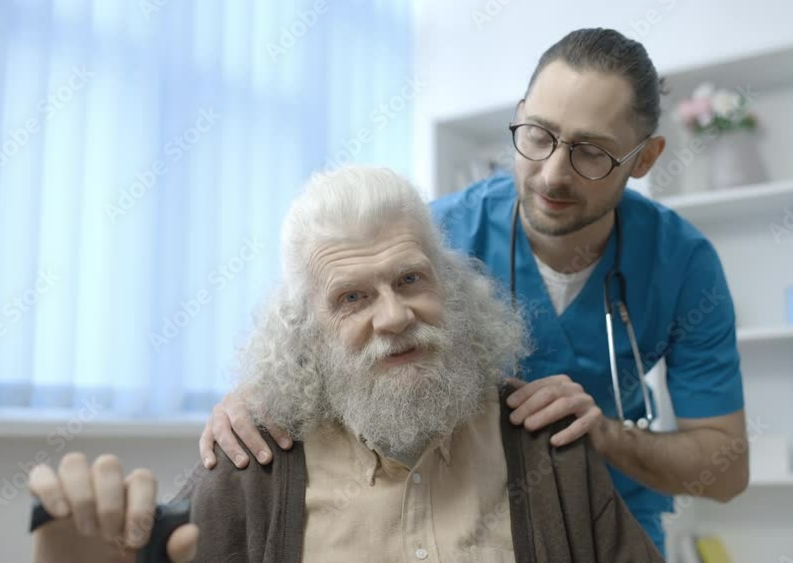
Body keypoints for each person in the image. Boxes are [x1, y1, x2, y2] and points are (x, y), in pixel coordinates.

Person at [199, 28, 750, 554]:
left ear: (645, 158)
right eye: (538, 134)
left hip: (615, 517)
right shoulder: (435, 243)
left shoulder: (683, 264)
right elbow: (334, 327)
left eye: (590, 152)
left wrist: (604, 435)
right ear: (518, 118)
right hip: (480, 509)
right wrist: (258, 396)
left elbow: (725, 472)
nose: (552, 174)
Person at [27, 166, 663, 562]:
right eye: (352, 297)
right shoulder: (254, 463)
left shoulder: (546, 446)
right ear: (308, 332)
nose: (393, 317)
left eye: (410, 279)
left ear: (450, 289)